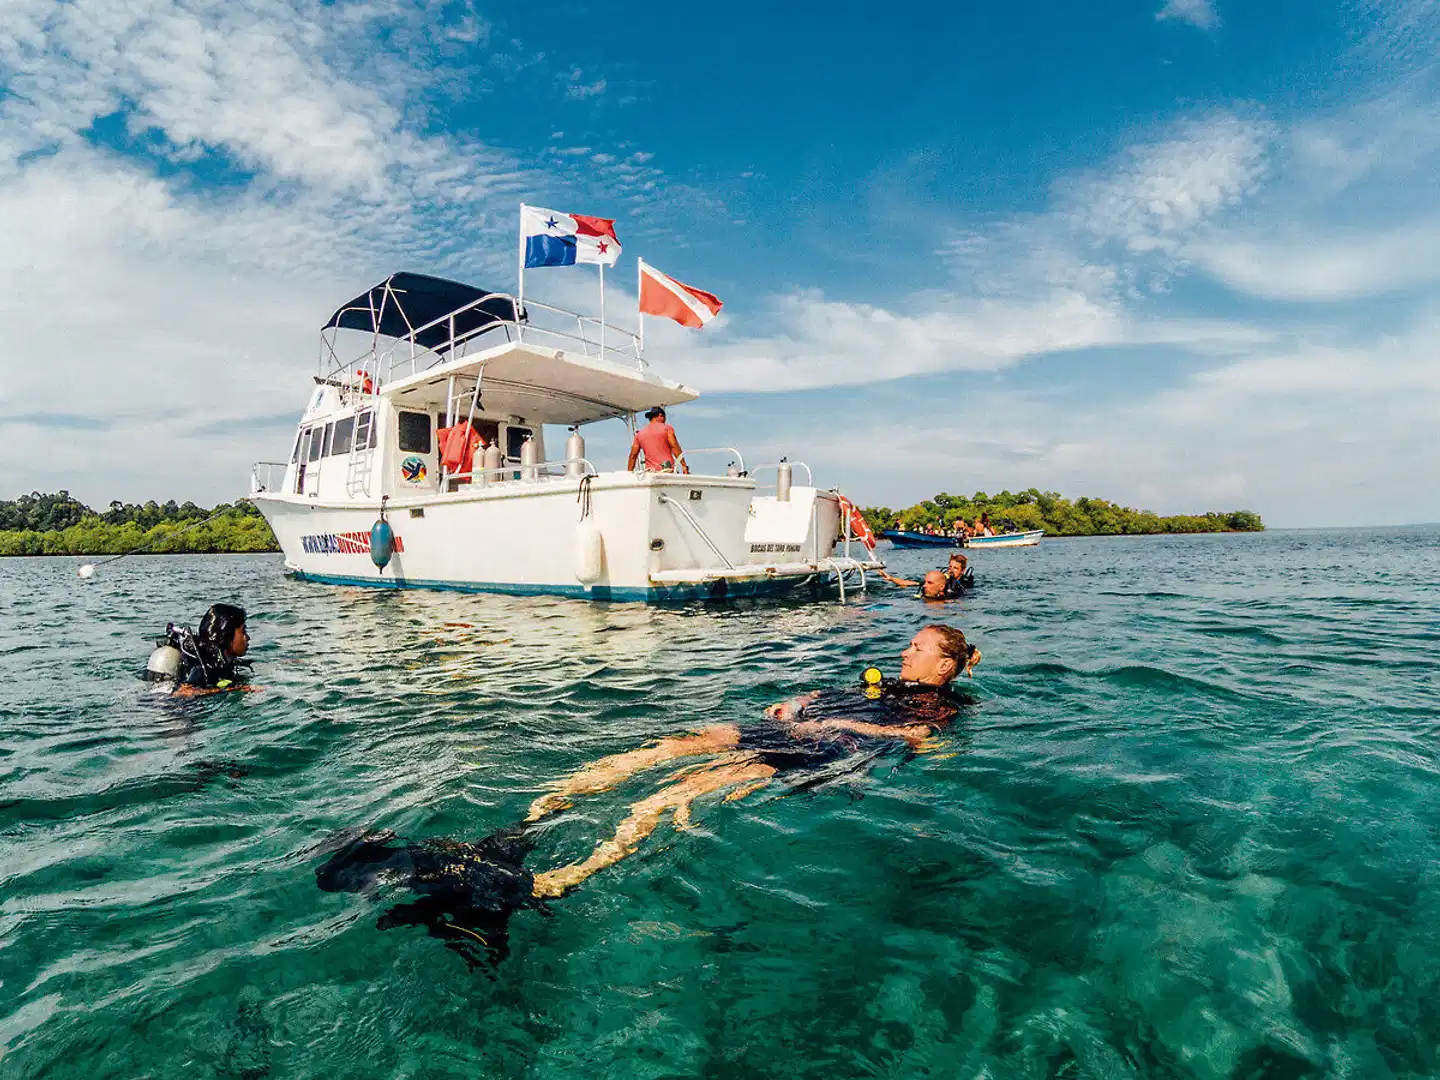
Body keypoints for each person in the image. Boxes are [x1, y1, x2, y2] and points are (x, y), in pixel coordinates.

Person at [315, 626, 982, 958]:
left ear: (945, 666)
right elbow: (824, 694)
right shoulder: (886, 685)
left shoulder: (944, 708)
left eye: (919, 650)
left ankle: (557, 879)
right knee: (662, 750)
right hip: (799, 727)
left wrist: (834, 722)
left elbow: (923, 745)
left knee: (673, 797)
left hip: (826, 747)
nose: (906, 654)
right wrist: (800, 698)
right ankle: (530, 823)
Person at [145, 603, 253, 695]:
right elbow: (184, 693)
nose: (247, 637)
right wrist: (236, 690)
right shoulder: (201, 666)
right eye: (243, 631)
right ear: (226, 635)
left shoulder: (219, 659)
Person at [626, 407, 688, 474]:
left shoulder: (640, 434)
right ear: (660, 415)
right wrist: (684, 465)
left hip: (650, 473)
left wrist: (629, 473)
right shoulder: (667, 428)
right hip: (667, 471)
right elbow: (674, 445)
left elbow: (633, 455)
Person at [877, 568, 951, 599]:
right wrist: (891, 578)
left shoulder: (948, 601)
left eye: (930, 583)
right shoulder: (923, 589)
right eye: (925, 582)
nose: (925, 585)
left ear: (941, 587)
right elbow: (906, 583)